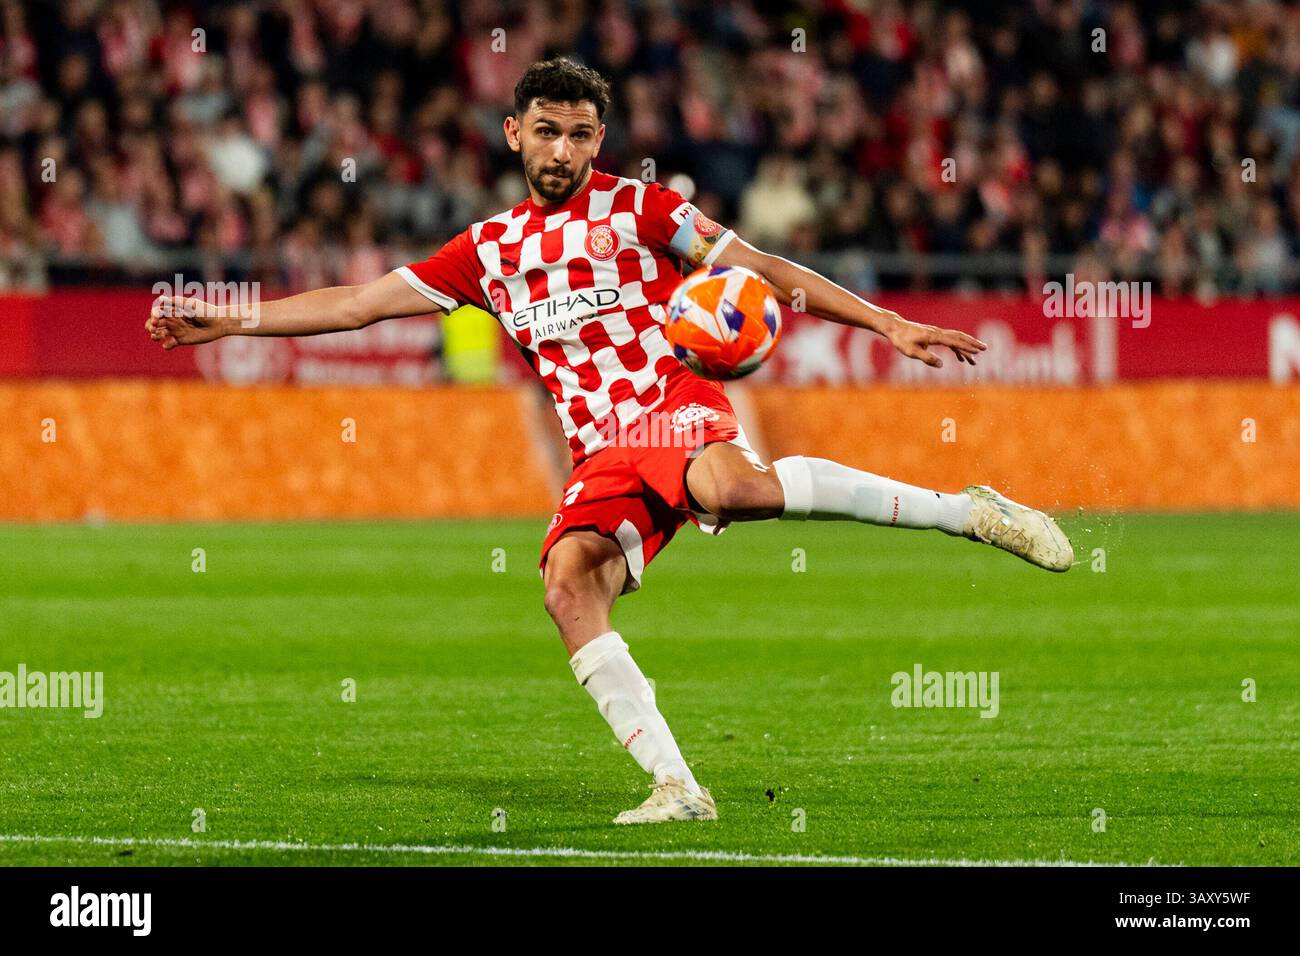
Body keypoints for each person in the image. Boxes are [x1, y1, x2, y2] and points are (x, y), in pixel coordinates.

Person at [147, 57, 1073, 825]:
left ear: (601, 140)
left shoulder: (642, 210)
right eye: (544, 131)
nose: (560, 149)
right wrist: (229, 319)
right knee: (565, 583)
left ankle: (969, 512)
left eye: (579, 133)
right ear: (514, 134)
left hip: (669, 402)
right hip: (598, 447)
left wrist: (888, 324)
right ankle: (678, 784)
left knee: (733, 491)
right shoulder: (486, 251)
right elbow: (353, 305)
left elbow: (761, 268)